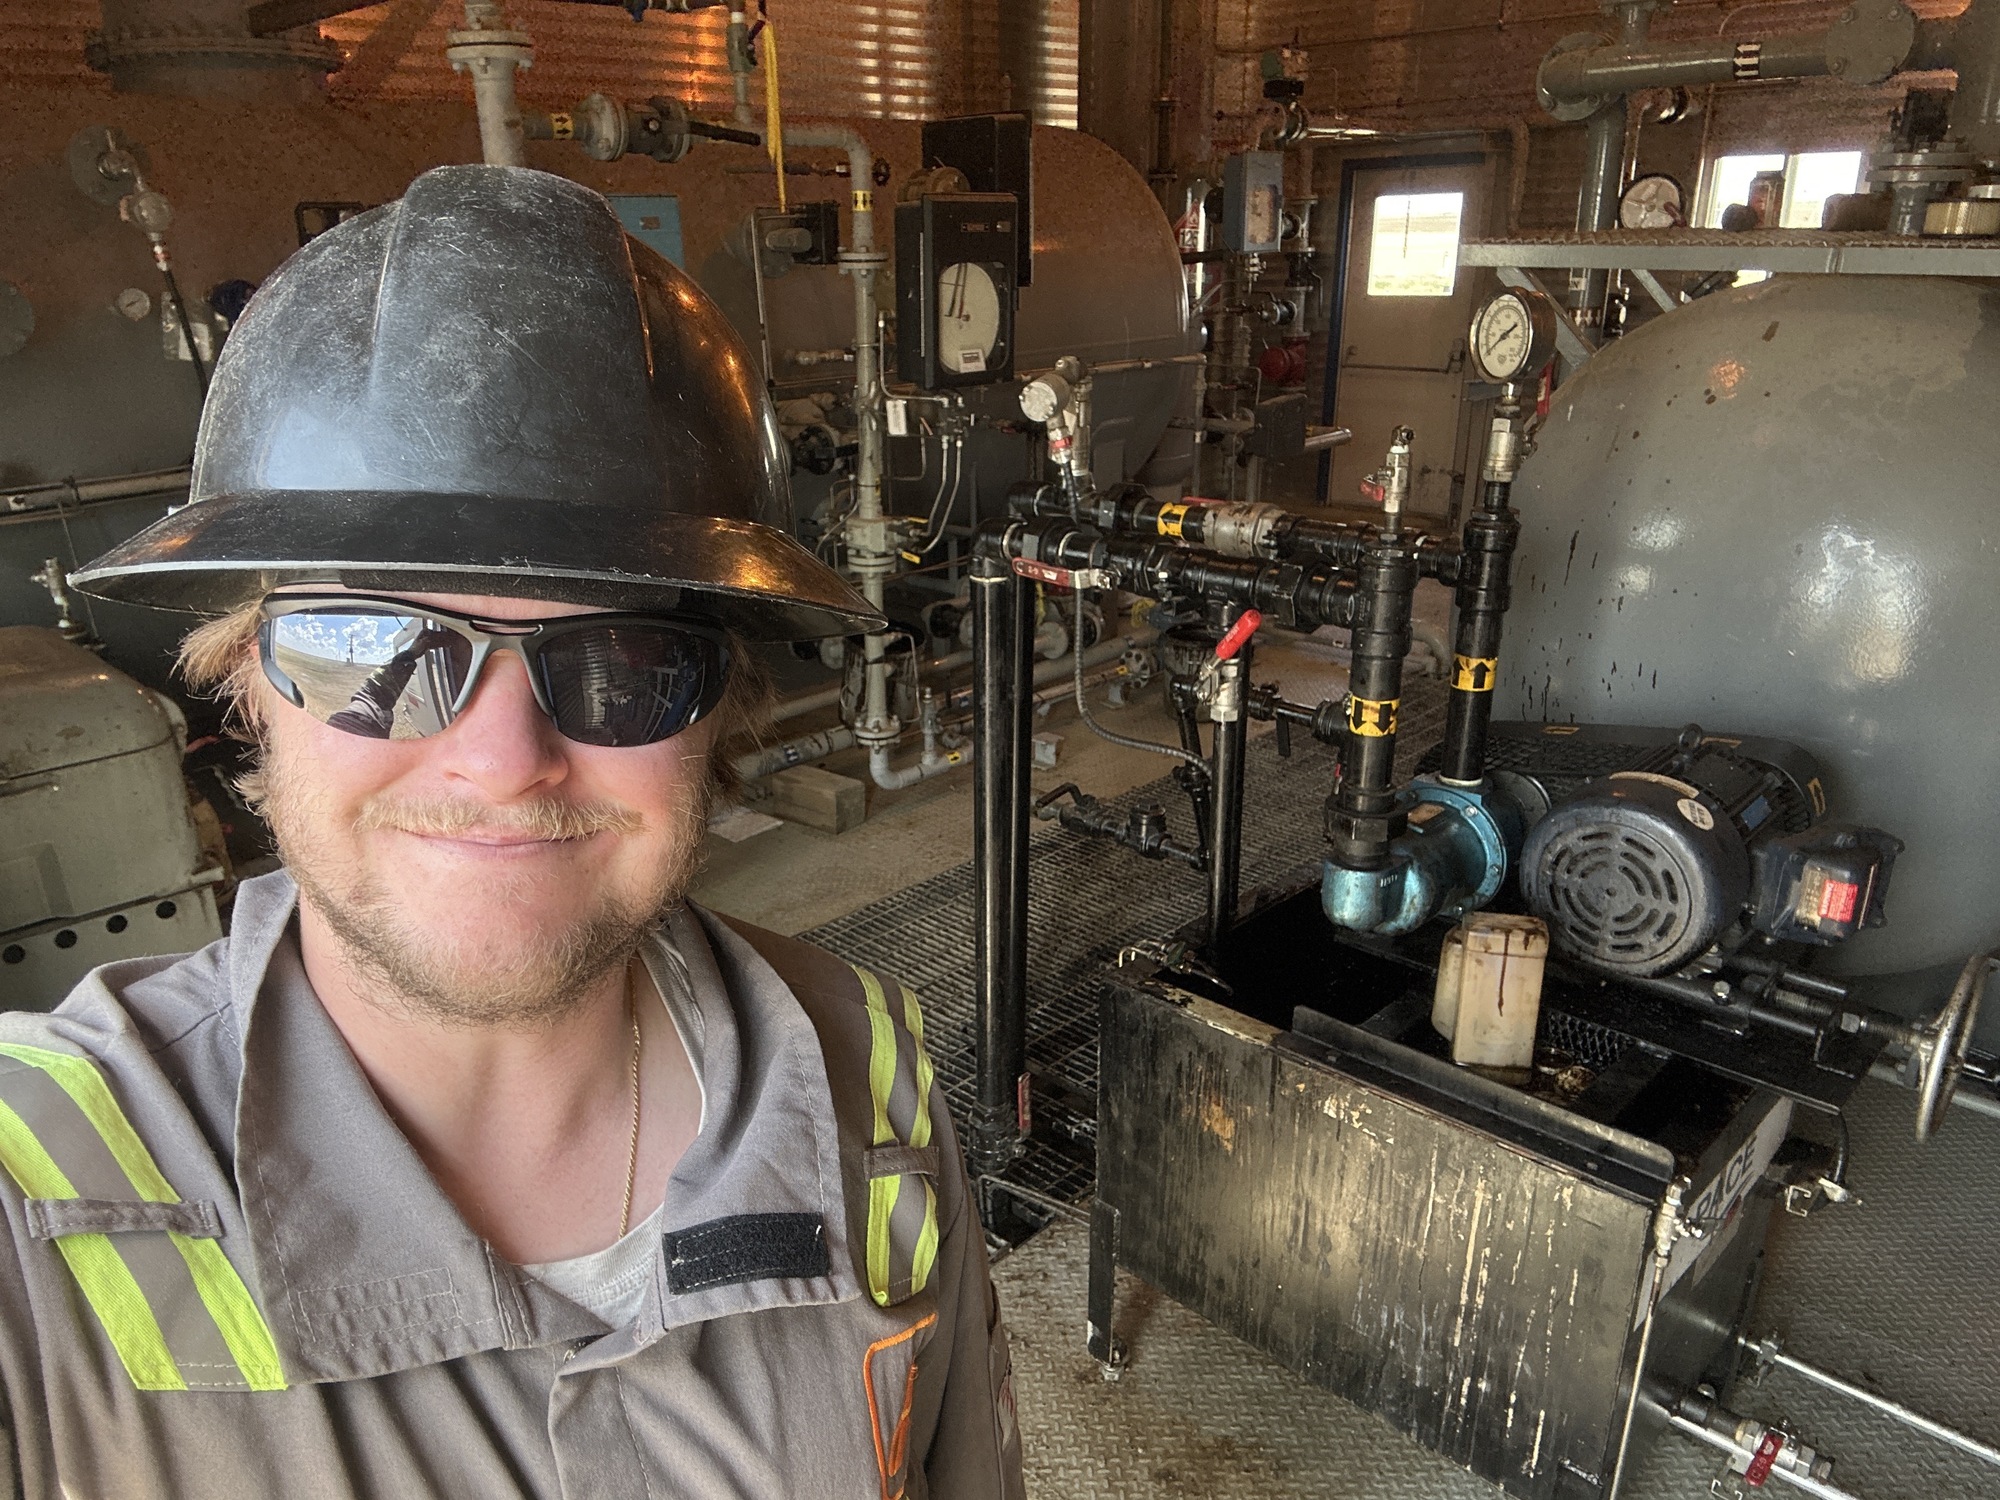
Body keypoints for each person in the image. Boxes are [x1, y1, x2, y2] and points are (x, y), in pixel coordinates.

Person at [0, 165, 1024, 1500]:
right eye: (377, 648)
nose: (502, 763)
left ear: (723, 712)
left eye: (621, 664)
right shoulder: (40, 1191)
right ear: (248, 682)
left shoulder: (865, 1074)